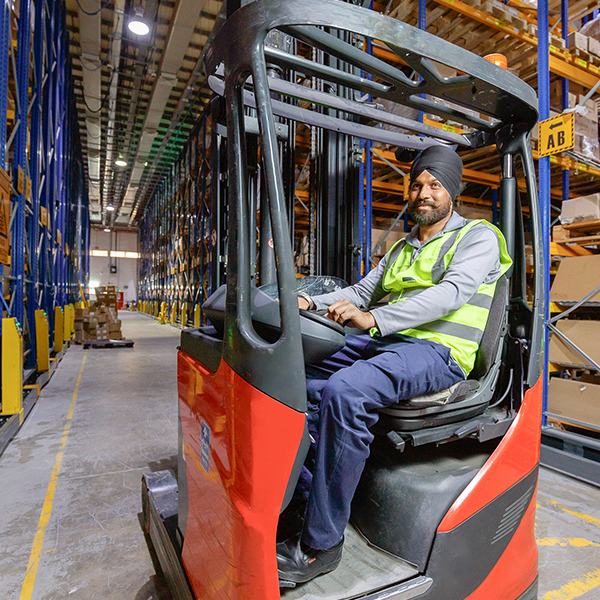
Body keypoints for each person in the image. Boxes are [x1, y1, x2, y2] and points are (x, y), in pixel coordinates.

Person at [276, 144, 512, 584]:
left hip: (439, 353)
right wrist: (304, 300)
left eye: (435, 185)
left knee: (345, 392)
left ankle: (320, 546)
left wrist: (375, 319)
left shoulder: (478, 236)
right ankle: (308, 500)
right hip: (391, 342)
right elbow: (362, 291)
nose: (424, 193)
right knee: (292, 380)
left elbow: (451, 294)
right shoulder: (404, 247)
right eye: (417, 184)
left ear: (452, 193)